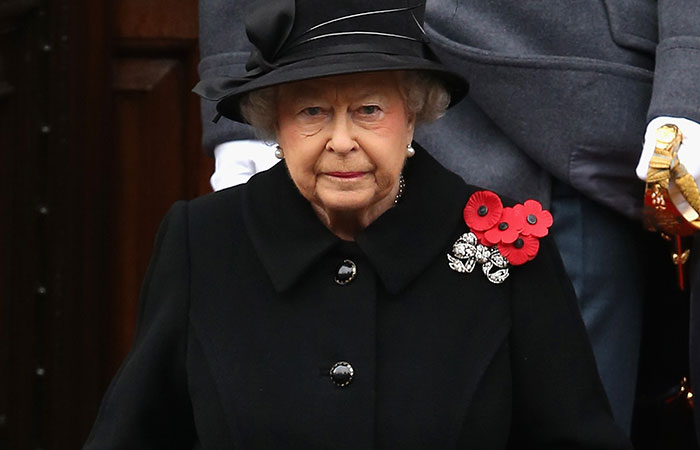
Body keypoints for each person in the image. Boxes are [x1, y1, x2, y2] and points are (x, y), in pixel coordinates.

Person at [83, 1, 631, 448]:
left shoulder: (504, 245)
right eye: (312, 112)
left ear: (414, 112)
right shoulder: (202, 242)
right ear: (275, 122)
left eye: (369, 109)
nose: (342, 142)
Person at [198, 0, 700, 434]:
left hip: (560, 111)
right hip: (316, 52)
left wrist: (689, 74)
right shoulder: (193, 241)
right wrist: (238, 69)